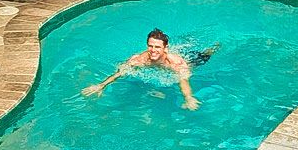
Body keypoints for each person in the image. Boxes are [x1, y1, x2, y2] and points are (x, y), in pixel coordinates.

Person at [82, 28, 218, 110]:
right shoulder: (139, 60)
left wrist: (188, 98)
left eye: (157, 47)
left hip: (189, 61)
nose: (153, 50)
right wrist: (101, 85)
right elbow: (120, 72)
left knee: (203, 57)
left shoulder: (175, 62)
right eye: (150, 46)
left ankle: (215, 47)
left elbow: (183, 80)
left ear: (165, 48)